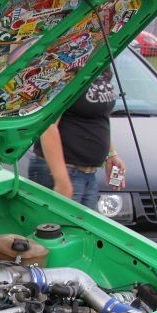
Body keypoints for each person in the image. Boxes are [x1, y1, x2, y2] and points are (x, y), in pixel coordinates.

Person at [26, 67, 125, 209]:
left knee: (85, 224)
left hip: (88, 174)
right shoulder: (68, 66)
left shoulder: (102, 65)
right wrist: (62, 181)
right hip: (65, 171)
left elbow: (98, 118)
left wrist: (112, 154)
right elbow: (48, 126)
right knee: (58, 222)